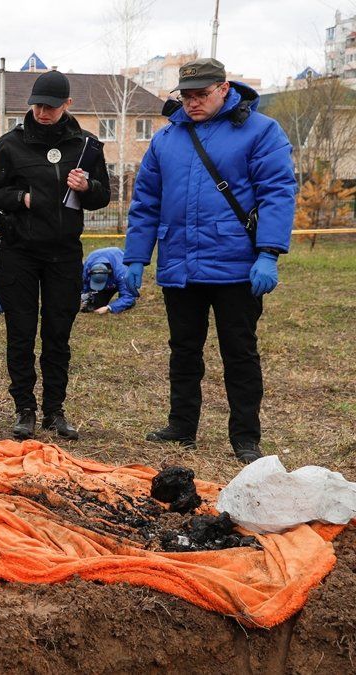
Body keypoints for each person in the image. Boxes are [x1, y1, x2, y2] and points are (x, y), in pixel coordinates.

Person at [123, 58, 295, 464]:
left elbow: (277, 192)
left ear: (224, 89)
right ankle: (181, 426)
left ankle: (245, 437)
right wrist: (136, 258)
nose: (193, 102)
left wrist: (268, 253)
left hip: (237, 266)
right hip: (180, 264)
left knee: (240, 353)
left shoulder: (261, 131)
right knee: (183, 349)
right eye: (186, 96)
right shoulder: (166, 140)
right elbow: (146, 203)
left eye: (201, 94)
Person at [0, 70, 112, 441]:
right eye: (37, 105)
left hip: (63, 254)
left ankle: (55, 410)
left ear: (67, 104)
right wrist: (20, 198)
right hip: (20, 252)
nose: (42, 112)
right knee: (20, 333)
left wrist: (87, 186)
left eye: (50, 107)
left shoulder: (86, 146)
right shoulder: (10, 144)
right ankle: (25, 409)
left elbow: (103, 196)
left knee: (57, 334)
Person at [80, 246, 137, 314]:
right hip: (107, 270)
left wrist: (109, 308)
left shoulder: (122, 272)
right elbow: (85, 283)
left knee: (129, 302)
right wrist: (84, 295)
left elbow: (129, 296)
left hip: (117, 274)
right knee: (97, 305)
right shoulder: (88, 265)